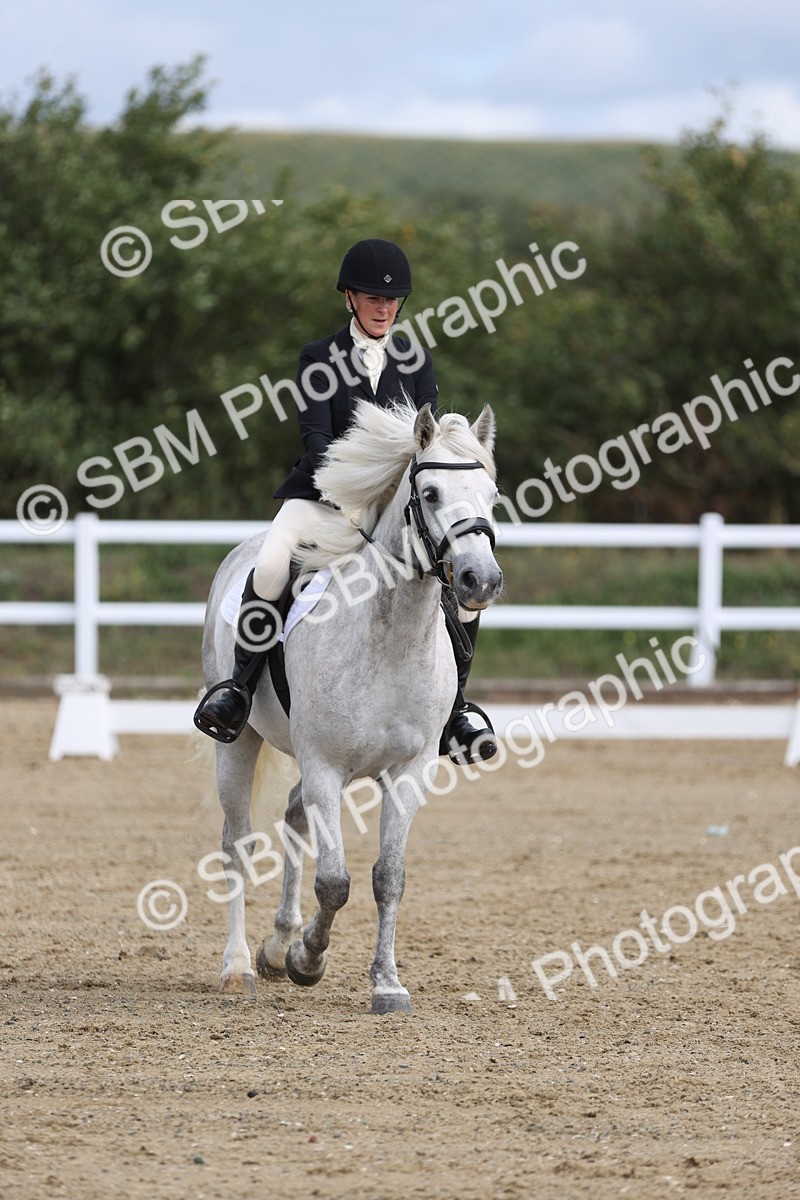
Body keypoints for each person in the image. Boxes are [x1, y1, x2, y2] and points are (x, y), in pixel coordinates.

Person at [194, 238, 496, 764]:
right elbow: (316, 444)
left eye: (392, 300)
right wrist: (356, 496)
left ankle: (456, 710)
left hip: (398, 508)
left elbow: (423, 450)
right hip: (322, 497)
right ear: (350, 298)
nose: (384, 309)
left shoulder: (415, 361)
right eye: (372, 299)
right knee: (270, 564)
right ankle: (238, 687)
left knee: (463, 578)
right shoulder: (318, 358)